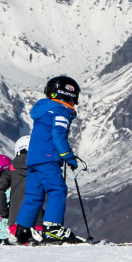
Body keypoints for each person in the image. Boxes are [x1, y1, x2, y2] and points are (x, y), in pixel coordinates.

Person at [14, 76, 82, 244]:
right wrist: (69, 157)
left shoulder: (43, 110)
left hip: (33, 159)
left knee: (33, 195)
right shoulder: (60, 111)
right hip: (48, 158)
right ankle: (53, 228)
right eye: (74, 99)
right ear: (67, 96)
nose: (74, 104)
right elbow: (58, 135)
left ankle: (22, 230)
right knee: (57, 190)